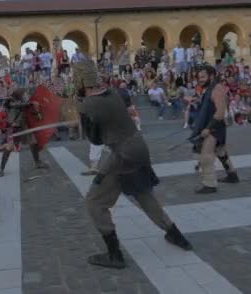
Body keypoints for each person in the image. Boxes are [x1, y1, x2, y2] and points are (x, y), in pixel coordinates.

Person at [72, 60, 192, 269]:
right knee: (144, 195)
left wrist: (81, 109)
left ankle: (115, 255)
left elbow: (95, 139)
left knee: (95, 202)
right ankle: (176, 236)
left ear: (80, 80)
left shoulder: (90, 104)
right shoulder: (112, 93)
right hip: (137, 148)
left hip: (122, 155)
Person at [191, 65, 239, 194]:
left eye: (203, 76)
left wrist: (208, 128)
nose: (200, 79)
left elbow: (219, 112)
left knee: (206, 155)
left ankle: (210, 184)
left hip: (214, 127)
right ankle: (232, 174)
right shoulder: (209, 89)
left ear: (211, 76)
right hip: (213, 126)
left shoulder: (217, 89)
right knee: (221, 152)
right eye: (199, 77)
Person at [0, 87, 49, 177]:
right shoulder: (9, 102)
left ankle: (37, 163)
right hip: (14, 127)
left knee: (33, 142)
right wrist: (30, 103)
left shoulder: (25, 102)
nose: (25, 95)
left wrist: (36, 108)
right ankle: (1, 168)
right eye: (23, 93)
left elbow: (35, 114)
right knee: (9, 147)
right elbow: (16, 105)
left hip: (24, 126)